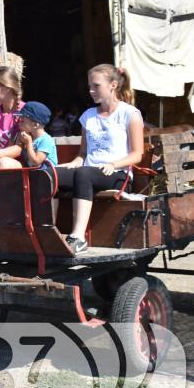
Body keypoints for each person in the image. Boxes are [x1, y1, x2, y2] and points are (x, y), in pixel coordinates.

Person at [54, 64, 144, 254]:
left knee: (84, 173)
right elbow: (83, 154)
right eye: (90, 86)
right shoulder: (88, 116)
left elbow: (137, 154)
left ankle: (78, 237)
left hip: (118, 174)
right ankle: (49, 232)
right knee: (50, 174)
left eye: (96, 86)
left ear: (113, 85)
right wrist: (71, 164)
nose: (91, 91)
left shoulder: (129, 114)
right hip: (88, 172)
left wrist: (113, 164)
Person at [0, 101, 58, 170]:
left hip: (45, 175)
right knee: (3, 161)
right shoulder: (26, 135)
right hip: (30, 172)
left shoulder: (46, 140)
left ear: (35, 125)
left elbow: (35, 162)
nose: (19, 121)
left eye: (22, 121)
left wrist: (29, 143)